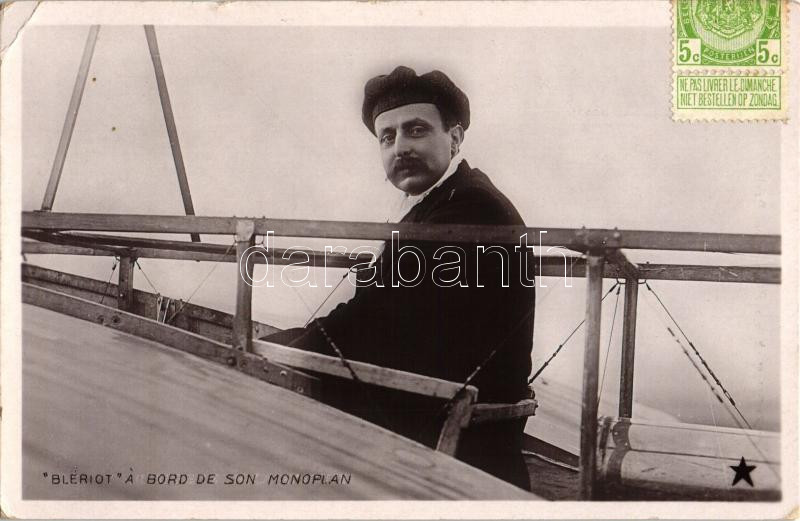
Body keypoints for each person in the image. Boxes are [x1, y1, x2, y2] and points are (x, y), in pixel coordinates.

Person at [263, 66, 535, 490]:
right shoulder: (438, 202)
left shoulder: (470, 207)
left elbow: (375, 320)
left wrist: (278, 354)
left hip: (456, 446)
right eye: (387, 137)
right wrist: (290, 342)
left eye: (416, 130)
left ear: (455, 138)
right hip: (429, 410)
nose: (400, 147)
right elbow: (380, 315)